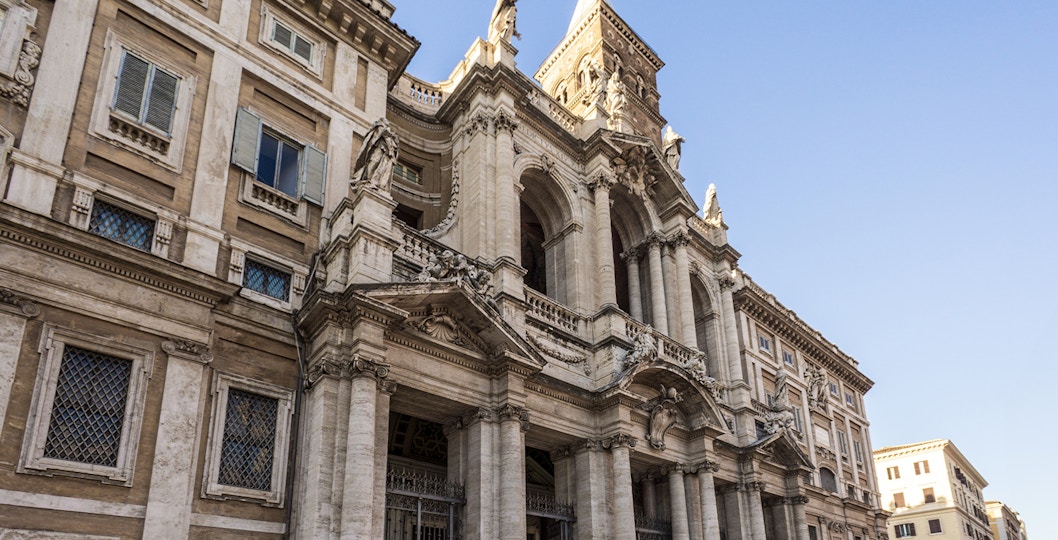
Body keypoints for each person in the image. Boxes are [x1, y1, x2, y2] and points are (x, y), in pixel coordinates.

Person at [351, 119, 399, 191]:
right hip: (378, 149)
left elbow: (391, 143)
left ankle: (373, 181)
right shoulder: (380, 128)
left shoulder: (389, 135)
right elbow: (381, 135)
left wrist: (391, 149)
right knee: (372, 163)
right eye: (386, 122)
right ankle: (368, 180)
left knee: (380, 167)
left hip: (384, 152)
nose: (388, 123)